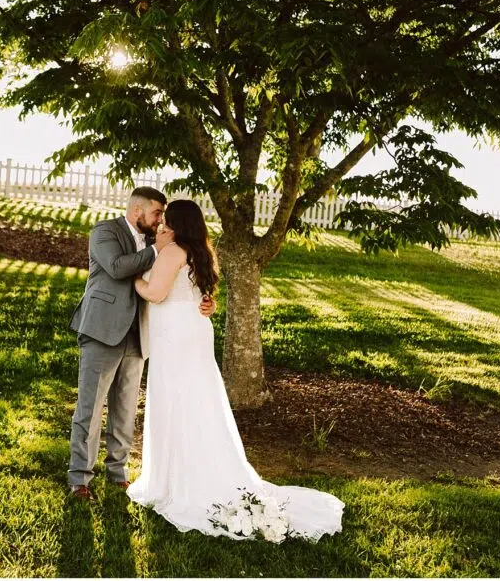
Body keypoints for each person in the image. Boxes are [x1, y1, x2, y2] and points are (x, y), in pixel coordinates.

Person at [128, 199, 344, 542]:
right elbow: (201, 295)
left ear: (179, 224)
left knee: (175, 400)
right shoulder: (201, 251)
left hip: (175, 335)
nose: (163, 225)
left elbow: (154, 294)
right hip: (195, 331)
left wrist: (134, 278)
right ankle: (198, 466)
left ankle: (174, 481)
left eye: (168, 220)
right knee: (197, 400)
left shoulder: (172, 251)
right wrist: (207, 303)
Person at [67, 187, 216, 500]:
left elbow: (176, 279)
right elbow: (117, 267)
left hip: (139, 334)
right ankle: (80, 479)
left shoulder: (156, 241)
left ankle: (117, 473)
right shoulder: (104, 232)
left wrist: (203, 302)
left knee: (125, 409)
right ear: (138, 211)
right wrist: (156, 250)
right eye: (156, 213)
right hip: (103, 330)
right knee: (90, 409)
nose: (161, 220)